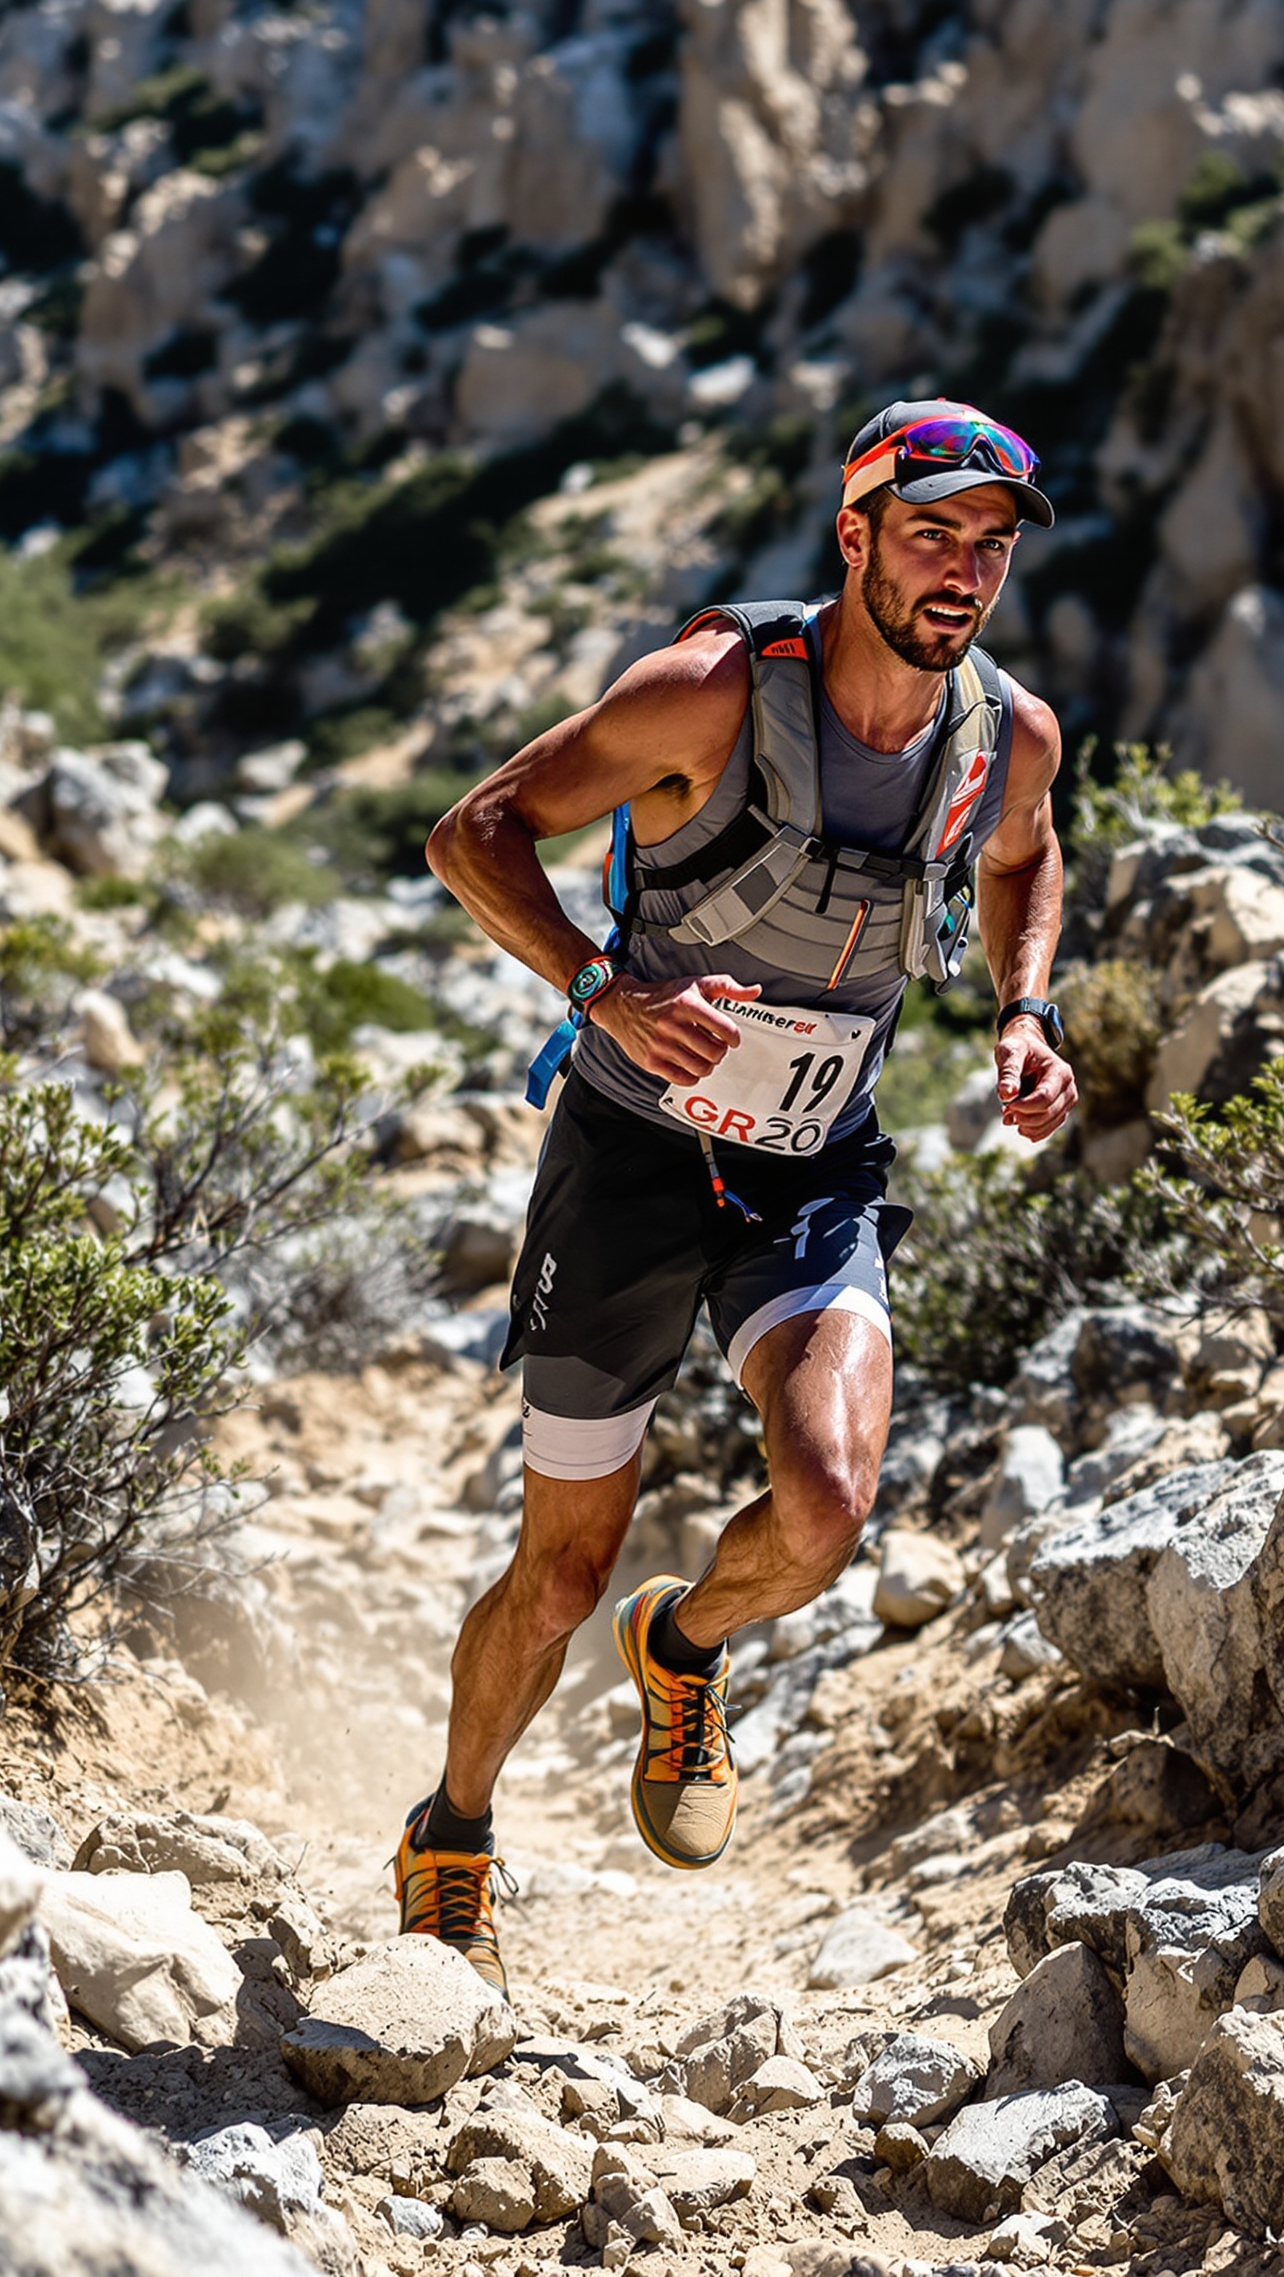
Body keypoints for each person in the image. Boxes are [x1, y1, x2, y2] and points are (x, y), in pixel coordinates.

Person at [404, 399, 1079, 1993]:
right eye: (932, 535)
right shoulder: (706, 691)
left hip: (813, 1167)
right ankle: (454, 1831)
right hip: (632, 1161)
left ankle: (683, 1647)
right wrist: (600, 987)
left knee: (829, 1504)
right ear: (854, 536)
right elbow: (472, 833)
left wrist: (1025, 1009)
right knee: (562, 1572)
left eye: (990, 547)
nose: (963, 573)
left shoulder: (1009, 737)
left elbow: (1024, 858)